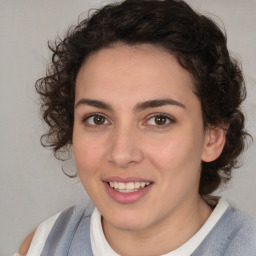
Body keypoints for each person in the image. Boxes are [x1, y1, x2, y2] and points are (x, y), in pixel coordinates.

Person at [15, 0, 256, 255]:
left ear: (213, 138)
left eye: (159, 120)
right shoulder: (43, 246)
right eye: (97, 119)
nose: (121, 154)